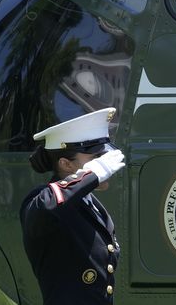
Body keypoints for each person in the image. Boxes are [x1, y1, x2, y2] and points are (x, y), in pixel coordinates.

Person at [20, 108, 126, 305]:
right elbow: (48, 205)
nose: (105, 165)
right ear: (66, 164)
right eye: (96, 158)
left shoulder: (93, 206)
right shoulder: (43, 202)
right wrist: (92, 174)